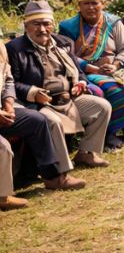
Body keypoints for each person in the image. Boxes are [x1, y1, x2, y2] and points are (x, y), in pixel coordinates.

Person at [8, 0, 111, 172]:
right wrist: (32, 92)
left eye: (46, 24)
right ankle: (61, 171)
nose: (42, 29)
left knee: (102, 107)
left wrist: (81, 82)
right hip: (41, 103)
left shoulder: (63, 43)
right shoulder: (14, 48)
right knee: (52, 121)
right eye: (36, 24)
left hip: (67, 99)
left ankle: (86, 152)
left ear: (53, 25)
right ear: (26, 26)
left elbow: (79, 71)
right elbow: (11, 82)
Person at [58, 0, 124, 148]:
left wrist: (116, 64)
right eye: (86, 3)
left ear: (102, 3)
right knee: (106, 90)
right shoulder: (68, 27)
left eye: (95, 3)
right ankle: (109, 133)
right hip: (86, 71)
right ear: (78, 5)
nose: (91, 7)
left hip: (116, 67)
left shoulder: (113, 22)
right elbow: (67, 55)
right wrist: (92, 68)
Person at [1, 38, 85, 208]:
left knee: (37, 121)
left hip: (4, 108)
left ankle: (53, 177)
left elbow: (7, 78)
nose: (42, 29)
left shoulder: (0, 47)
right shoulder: (16, 47)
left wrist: (8, 104)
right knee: (3, 146)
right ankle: (3, 196)